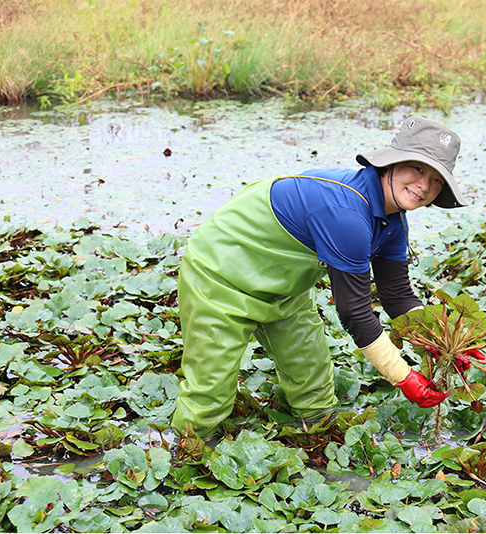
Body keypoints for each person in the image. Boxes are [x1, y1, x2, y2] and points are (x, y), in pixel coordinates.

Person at [171, 116, 467, 438]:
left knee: (312, 381)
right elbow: (354, 312)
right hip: (221, 273)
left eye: (437, 179)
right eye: (418, 169)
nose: (424, 185)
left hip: (283, 287)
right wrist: (403, 377)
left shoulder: (394, 222)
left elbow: (396, 295)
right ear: (389, 164)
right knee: (210, 389)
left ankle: (317, 433)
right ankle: (190, 449)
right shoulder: (348, 214)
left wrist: (440, 340)